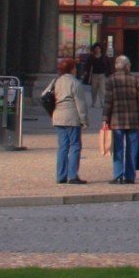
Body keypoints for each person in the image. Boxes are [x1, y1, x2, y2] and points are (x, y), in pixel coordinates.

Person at [102, 54, 139, 184]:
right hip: (133, 119)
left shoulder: (111, 80)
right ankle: (130, 176)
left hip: (116, 119)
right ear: (127, 66)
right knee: (132, 148)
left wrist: (105, 118)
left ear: (117, 66)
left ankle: (118, 175)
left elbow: (107, 102)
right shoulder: (136, 79)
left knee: (118, 149)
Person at [47, 56, 89, 184]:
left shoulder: (56, 81)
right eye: (75, 67)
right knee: (75, 145)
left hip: (58, 116)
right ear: (72, 69)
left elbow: (45, 94)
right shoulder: (75, 83)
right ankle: (72, 175)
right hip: (71, 117)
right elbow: (80, 104)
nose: (76, 69)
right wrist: (84, 120)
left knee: (63, 147)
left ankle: (61, 176)